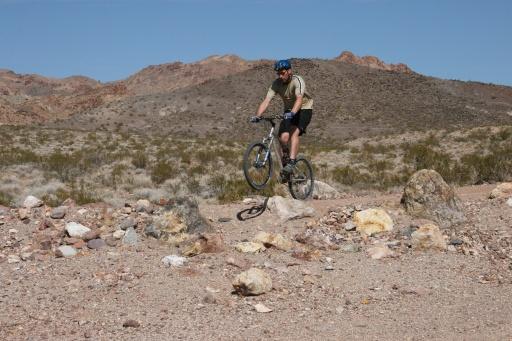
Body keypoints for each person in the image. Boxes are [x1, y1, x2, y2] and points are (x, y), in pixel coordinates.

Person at [250, 59, 313, 177]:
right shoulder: (276, 84)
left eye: (282, 73)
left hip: (304, 108)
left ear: (289, 71)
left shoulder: (297, 80)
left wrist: (293, 113)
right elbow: (266, 100)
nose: (280, 75)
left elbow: (299, 100)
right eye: (278, 73)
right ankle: (286, 160)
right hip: (289, 110)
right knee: (283, 138)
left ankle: (292, 162)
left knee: (294, 133)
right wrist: (257, 116)